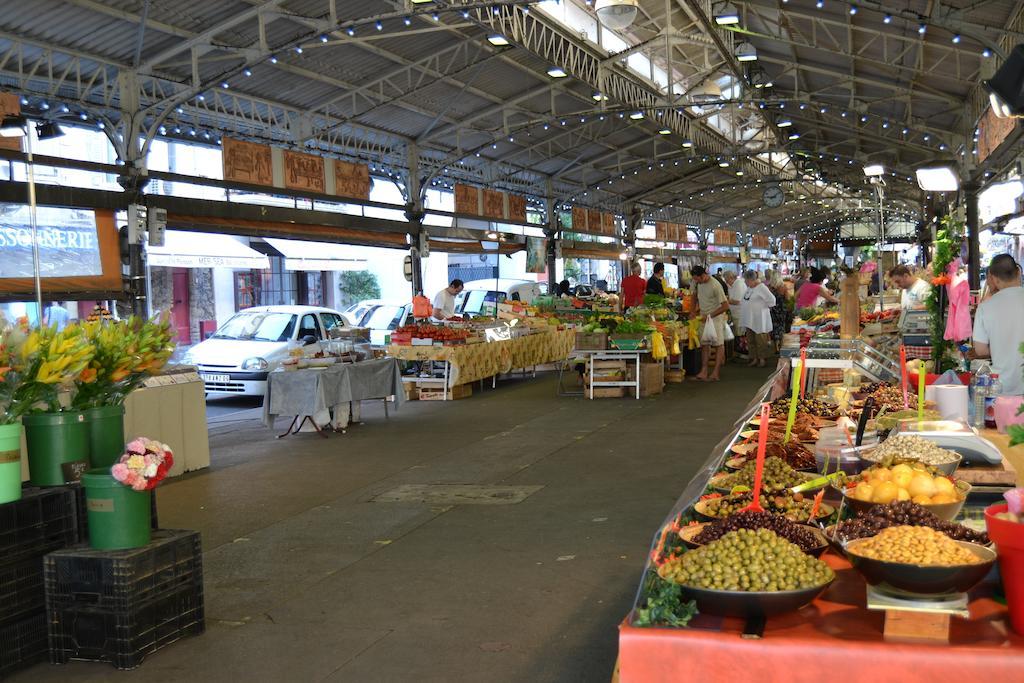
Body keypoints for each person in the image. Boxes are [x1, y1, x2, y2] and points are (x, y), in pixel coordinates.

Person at [971, 254, 1024, 396]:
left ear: (993, 278)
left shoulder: (985, 308)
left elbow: (980, 350)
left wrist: (1001, 346)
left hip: (1002, 388)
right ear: (1018, 272)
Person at [691, 265, 730, 382]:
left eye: (697, 279)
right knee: (705, 344)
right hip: (703, 317)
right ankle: (704, 370)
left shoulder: (715, 285)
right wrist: (692, 311)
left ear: (703, 275)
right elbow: (693, 296)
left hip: (716, 318)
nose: (696, 281)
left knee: (719, 344)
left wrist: (710, 316)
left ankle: (716, 372)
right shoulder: (697, 283)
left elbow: (725, 306)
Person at [740, 270, 777, 368]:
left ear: (752, 279)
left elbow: (772, 300)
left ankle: (762, 359)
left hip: (760, 319)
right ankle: (754, 358)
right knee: (751, 340)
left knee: (760, 340)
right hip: (749, 319)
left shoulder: (762, 288)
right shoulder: (749, 288)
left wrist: (764, 307)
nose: (745, 282)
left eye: (746, 280)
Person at [766, 270, 789, 352]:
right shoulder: (783, 286)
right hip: (781, 309)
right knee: (781, 327)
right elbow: (787, 298)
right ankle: (782, 345)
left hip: (773, 308)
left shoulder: (769, 287)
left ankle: (776, 347)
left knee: (774, 327)